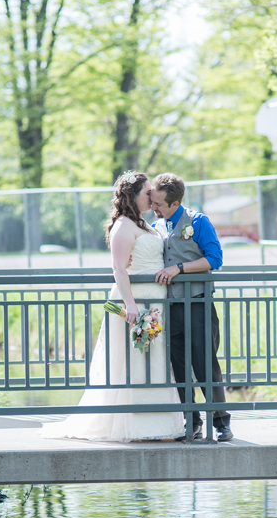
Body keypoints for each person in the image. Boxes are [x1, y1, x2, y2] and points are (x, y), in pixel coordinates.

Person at [44, 171, 187, 443]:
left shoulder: (145, 224)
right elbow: (118, 268)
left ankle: (157, 423)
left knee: (153, 361)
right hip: (134, 305)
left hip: (155, 302)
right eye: (147, 192)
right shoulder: (123, 225)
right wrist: (131, 306)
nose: (152, 196)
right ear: (133, 195)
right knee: (132, 362)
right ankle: (133, 424)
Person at [148, 172, 232, 443]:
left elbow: (215, 258)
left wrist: (179, 268)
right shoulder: (157, 225)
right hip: (170, 307)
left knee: (205, 364)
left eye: (159, 203)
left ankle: (221, 422)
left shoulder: (199, 221)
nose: (154, 207)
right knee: (179, 365)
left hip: (198, 303)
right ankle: (192, 421)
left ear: (174, 203)